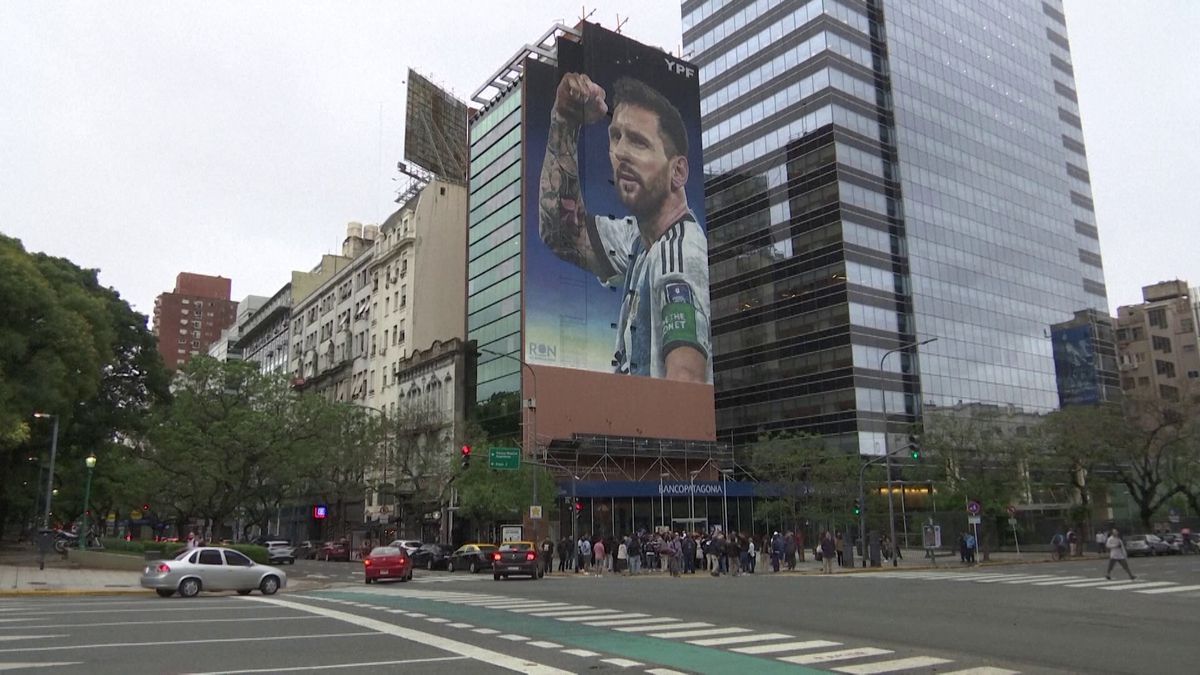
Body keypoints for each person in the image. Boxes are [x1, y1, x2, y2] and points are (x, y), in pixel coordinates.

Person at [538, 72, 712, 383]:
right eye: (616, 136)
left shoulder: (679, 254)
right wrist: (566, 117)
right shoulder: (640, 239)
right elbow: (561, 232)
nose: (620, 153)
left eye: (639, 142)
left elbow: (687, 378)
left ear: (678, 171)